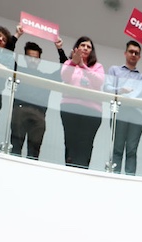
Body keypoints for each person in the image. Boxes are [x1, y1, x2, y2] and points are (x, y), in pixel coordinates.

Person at [104, 41, 142, 175]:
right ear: (125, 53)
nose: (133, 55)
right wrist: (120, 90)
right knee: (117, 148)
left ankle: (130, 178)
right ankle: (114, 177)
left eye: (136, 53)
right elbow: (106, 87)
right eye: (131, 52)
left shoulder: (141, 77)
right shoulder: (115, 70)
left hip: (137, 114)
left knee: (132, 150)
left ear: (139, 57)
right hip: (120, 111)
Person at [10, 40, 68, 160]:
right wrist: (16, 37)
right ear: (25, 58)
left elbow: (64, 70)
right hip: (20, 109)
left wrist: (60, 49)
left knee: (34, 151)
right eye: (29, 57)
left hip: (39, 114)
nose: (32, 60)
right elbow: (8, 55)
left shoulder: (45, 77)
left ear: (39, 60)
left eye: (35, 58)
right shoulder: (19, 70)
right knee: (15, 147)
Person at [60, 36, 105, 169]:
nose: (85, 48)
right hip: (70, 107)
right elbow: (65, 77)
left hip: (92, 111)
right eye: (82, 45)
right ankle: (69, 169)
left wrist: (82, 66)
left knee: (86, 144)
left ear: (92, 51)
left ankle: (82, 171)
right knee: (70, 141)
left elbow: (99, 81)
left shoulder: (97, 66)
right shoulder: (68, 63)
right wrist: (74, 63)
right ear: (77, 48)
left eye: (88, 47)